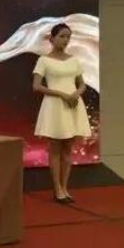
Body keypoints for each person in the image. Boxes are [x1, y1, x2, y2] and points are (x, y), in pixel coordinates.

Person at [33, 23, 91, 204]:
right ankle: (57, 189)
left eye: (68, 37)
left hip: (73, 104)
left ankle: (65, 188)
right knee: (56, 148)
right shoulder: (44, 60)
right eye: (62, 36)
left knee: (68, 148)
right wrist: (61, 94)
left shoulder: (74, 60)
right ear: (52, 38)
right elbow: (36, 86)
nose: (65, 40)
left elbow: (82, 84)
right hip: (55, 106)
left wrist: (76, 94)